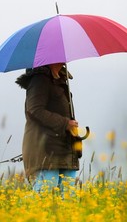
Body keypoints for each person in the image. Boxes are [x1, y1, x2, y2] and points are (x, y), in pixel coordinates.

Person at [16, 62, 80, 193]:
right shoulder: (39, 80)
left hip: (64, 147)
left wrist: (70, 125)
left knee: (69, 196)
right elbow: (35, 110)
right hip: (45, 148)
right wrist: (65, 123)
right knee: (46, 194)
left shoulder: (60, 79)